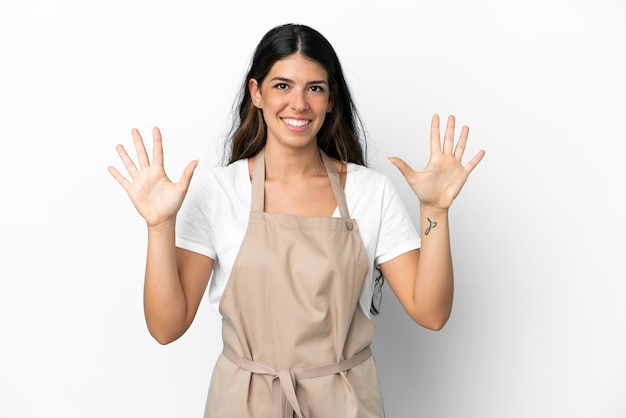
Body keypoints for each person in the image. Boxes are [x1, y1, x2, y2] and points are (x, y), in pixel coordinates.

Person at [108, 23, 484, 418]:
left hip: (345, 405)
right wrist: (158, 226)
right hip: (244, 405)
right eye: (282, 86)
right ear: (256, 93)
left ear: (331, 98)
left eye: (315, 88)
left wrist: (436, 212)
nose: (299, 103)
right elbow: (166, 328)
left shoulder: (369, 192)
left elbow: (432, 313)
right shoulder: (220, 191)